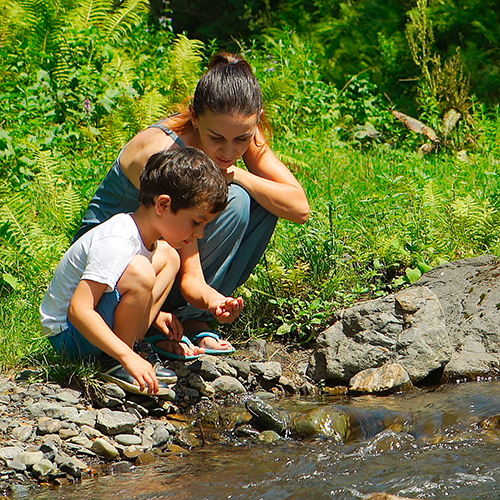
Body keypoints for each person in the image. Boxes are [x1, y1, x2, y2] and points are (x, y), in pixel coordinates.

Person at [74, 52, 310, 359]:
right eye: (216, 138)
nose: (229, 150)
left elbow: (299, 207)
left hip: (168, 246)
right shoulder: (164, 154)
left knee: (261, 200)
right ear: (195, 117)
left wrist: (236, 174)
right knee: (235, 202)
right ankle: (160, 325)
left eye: (242, 139)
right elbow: (184, 264)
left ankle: (192, 320)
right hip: (115, 267)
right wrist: (203, 293)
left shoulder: (236, 130)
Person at [40, 148, 240, 396]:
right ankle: (116, 361)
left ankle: (133, 345)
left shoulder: (149, 238)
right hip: (69, 336)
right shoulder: (118, 240)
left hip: (87, 326)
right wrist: (125, 356)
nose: (199, 234)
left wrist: (153, 316)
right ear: (163, 205)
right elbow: (79, 310)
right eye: (196, 223)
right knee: (142, 270)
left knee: (169, 258)